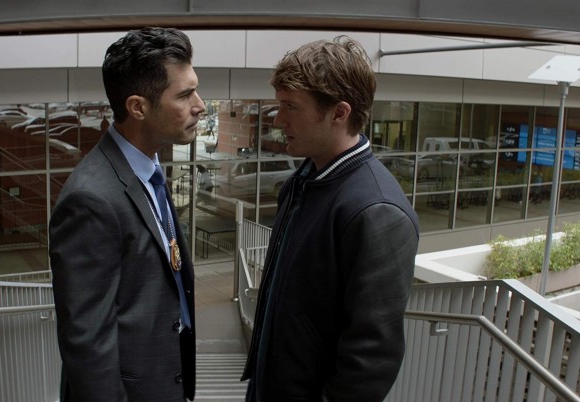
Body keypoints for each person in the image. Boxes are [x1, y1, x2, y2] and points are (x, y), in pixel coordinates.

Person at [241, 36, 420, 402]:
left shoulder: (378, 212)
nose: (279, 120)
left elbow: (370, 360)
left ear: (339, 113)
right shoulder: (305, 179)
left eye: (291, 107)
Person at [49, 27, 205, 402]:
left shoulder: (148, 169)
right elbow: (87, 342)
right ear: (138, 107)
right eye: (184, 95)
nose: (200, 105)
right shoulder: (90, 199)